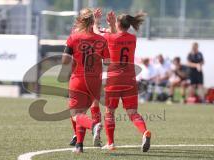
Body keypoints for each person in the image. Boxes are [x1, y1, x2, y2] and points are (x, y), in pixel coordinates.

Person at [95, 11, 151, 152]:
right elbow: (115, 34)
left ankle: (111, 143)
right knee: (133, 112)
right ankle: (144, 132)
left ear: (117, 24)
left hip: (114, 79)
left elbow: (97, 32)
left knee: (110, 112)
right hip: (130, 78)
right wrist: (112, 26)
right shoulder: (133, 38)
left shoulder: (109, 37)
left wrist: (96, 21)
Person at [62, 8, 110, 153]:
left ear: (81, 21)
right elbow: (107, 62)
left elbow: (64, 60)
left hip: (78, 79)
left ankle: (94, 125)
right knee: (81, 112)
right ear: (92, 22)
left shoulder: (73, 38)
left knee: (76, 115)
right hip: (94, 82)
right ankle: (79, 146)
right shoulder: (101, 40)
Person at [68, 8, 103, 147]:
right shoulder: (96, 33)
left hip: (78, 76)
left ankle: (88, 132)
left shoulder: (75, 34)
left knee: (76, 112)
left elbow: (68, 58)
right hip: (94, 77)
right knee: (89, 107)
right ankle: (80, 141)